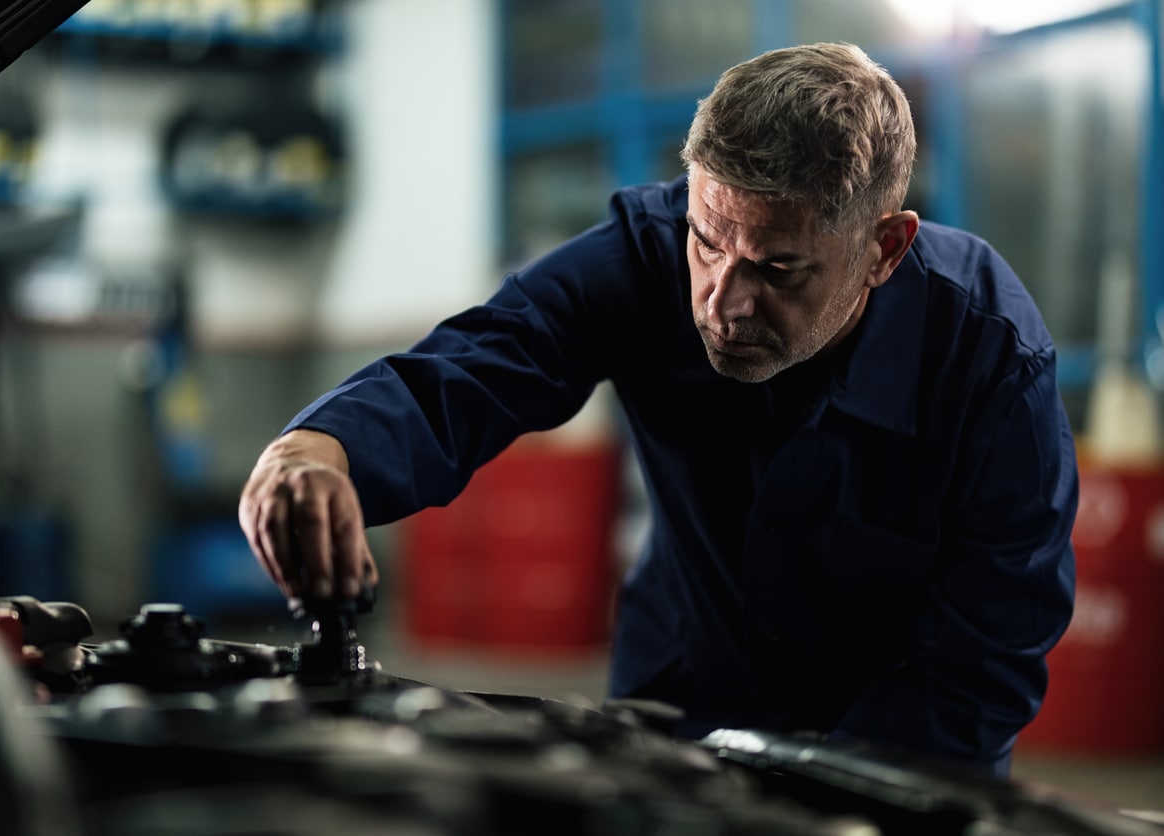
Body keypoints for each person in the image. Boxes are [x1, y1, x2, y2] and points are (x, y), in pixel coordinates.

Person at [239, 42, 1078, 777]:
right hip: (680, 698)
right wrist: (321, 447)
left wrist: (835, 793)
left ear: (883, 250)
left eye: (778, 269)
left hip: (905, 748)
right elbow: (481, 360)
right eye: (709, 241)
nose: (725, 300)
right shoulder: (642, 254)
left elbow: (986, 653)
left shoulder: (990, 360)